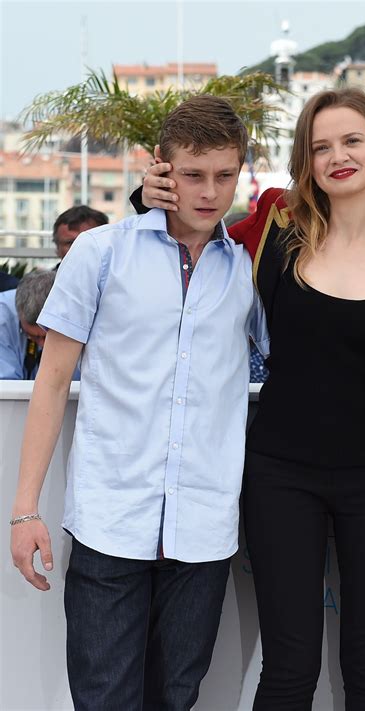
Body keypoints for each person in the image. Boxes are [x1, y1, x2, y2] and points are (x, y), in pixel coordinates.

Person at [134, 88, 365, 710]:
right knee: (288, 666)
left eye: (352, 140)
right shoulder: (278, 225)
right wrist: (148, 195)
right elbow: (197, 232)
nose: (338, 156)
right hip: (281, 476)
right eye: (320, 146)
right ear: (305, 162)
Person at [10, 96, 268, 711]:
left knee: (174, 700)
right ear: (161, 170)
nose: (210, 192)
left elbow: (316, 355)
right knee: (103, 701)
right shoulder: (101, 254)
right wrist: (24, 511)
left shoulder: (248, 270)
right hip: (109, 522)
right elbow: (51, 382)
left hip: (203, 531)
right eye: (193, 174)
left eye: (225, 175)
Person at [0, 271, 55, 379]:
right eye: (34, 336)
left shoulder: (77, 314)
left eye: (47, 336)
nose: (42, 344)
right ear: (19, 313)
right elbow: (5, 387)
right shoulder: (2, 317)